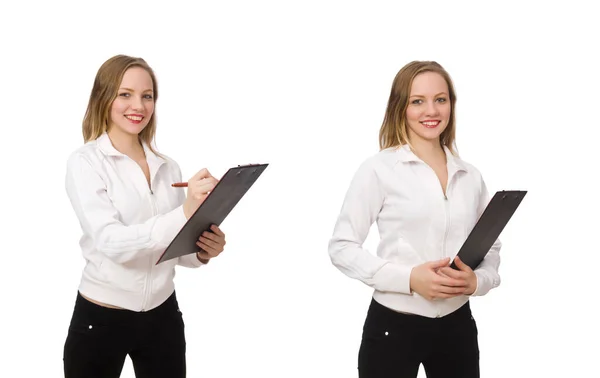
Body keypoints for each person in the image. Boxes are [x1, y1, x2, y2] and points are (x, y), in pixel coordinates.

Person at [328, 61, 501, 378]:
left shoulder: (470, 176)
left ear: (451, 104)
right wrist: (409, 279)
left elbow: (490, 248)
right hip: (393, 327)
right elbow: (342, 247)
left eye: (441, 99)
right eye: (417, 101)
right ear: (400, 107)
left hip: (458, 326)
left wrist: (478, 281)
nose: (431, 110)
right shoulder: (378, 170)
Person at [63, 54, 227, 378]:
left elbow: (172, 251)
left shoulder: (168, 167)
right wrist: (184, 213)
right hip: (101, 319)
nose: (138, 105)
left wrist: (203, 249)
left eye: (147, 96)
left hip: (162, 317)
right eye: (125, 94)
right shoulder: (85, 163)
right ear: (104, 97)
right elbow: (111, 242)